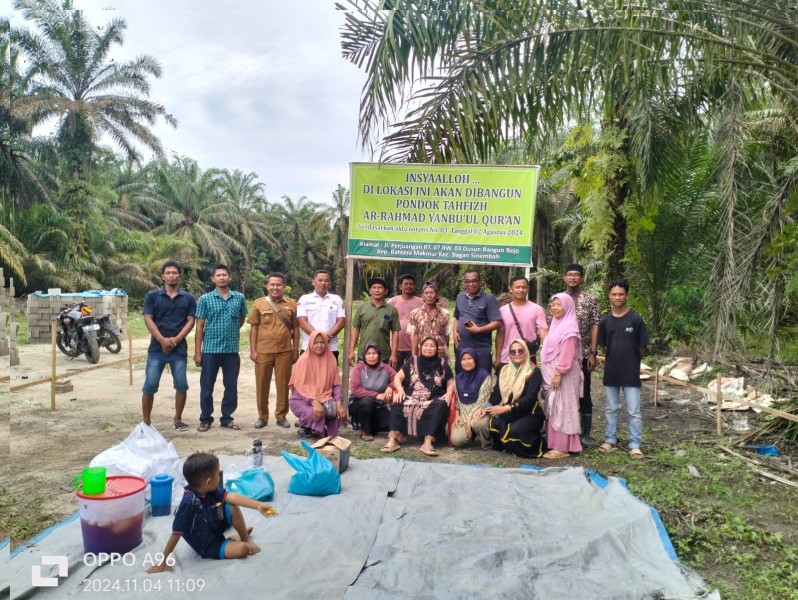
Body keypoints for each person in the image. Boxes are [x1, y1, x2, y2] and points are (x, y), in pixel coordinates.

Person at [147, 452, 277, 572]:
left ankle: (243, 537)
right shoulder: (188, 502)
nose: (219, 474)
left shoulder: (211, 490)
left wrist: (259, 505)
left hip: (213, 524)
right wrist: (163, 562)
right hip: (209, 544)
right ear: (208, 482)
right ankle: (233, 540)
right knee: (243, 549)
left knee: (232, 506)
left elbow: (234, 498)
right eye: (217, 473)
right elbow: (176, 533)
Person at [141, 261, 196, 431]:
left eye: (174, 273)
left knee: (181, 385)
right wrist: (162, 340)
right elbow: (148, 318)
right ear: (162, 276)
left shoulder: (188, 298)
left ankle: (178, 419)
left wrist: (176, 339)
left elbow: (191, 321)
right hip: (156, 349)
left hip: (178, 350)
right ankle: (146, 422)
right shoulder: (152, 296)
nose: (171, 275)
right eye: (168, 273)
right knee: (149, 385)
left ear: (180, 275)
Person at [598, 279, 649, 458]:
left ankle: (635, 443)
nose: (617, 297)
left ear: (626, 295)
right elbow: (604, 348)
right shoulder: (605, 322)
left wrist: (632, 361)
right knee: (611, 408)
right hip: (611, 371)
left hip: (630, 372)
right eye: (614, 294)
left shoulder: (635, 320)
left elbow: (642, 348)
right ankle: (610, 439)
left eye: (621, 294)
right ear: (609, 296)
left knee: (634, 411)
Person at [194, 264, 248, 432]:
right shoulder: (205, 299)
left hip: (231, 351)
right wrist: (197, 352)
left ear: (229, 277)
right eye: (218, 275)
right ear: (213, 278)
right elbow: (199, 326)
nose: (222, 278)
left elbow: (241, 319)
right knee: (207, 386)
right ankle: (205, 419)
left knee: (231, 386)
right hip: (210, 350)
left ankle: (227, 418)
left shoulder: (239, 298)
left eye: (225, 275)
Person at [383, 337, 455, 457]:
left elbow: (450, 382)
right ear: (420, 347)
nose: (428, 348)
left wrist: (448, 393)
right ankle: (393, 440)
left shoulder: (442, 364)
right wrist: (400, 391)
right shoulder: (412, 360)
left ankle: (428, 442)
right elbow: (397, 378)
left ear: (437, 349)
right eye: (426, 345)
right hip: (412, 397)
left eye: (432, 346)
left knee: (441, 405)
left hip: (432, 400)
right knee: (398, 401)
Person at [475, 340, 545, 459]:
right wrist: (485, 407)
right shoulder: (504, 370)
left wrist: (506, 408)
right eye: (513, 351)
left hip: (530, 412)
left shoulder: (534, 372)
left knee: (515, 430)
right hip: (510, 411)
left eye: (520, 350)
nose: (517, 354)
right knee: (495, 423)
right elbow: (496, 395)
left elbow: (529, 399)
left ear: (526, 352)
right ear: (509, 354)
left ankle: (530, 450)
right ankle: (508, 448)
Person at [248, 272, 299, 429]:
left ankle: (281, 416)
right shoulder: (259, 304)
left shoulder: (292, 304)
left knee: (283, 385)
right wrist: (253, 350)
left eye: (279, 284)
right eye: (272, 284)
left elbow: (296, 329)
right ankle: (262, 417)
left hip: (284, 351)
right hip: (263, 350)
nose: (275, 287)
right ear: (267, 286)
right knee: (262, 384)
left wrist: (295, 349)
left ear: (284, 286)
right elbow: (254, 328)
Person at [561, 263, 601, 448]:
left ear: (582, 278)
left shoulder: (590, 299)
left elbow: (595, 325)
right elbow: (549, 324)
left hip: (583, 355)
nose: (573, 278)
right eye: (570, 275)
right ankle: (562, 430)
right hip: (561, 355)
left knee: (584, 393)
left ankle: (585, 435)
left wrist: (593, 352)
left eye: (577, 275)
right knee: (561, 391)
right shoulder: (558, 299)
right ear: (564, 278)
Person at [540, 293, 583, 459]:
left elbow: (567, 354)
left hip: (562, 375)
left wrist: (558, 374)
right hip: (553, 375)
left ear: (568, 306)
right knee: (554, 406)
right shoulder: (556, 324)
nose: (554, 308)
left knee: (563, 407)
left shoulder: (569, 328)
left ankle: (563, 448)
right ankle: (555, 443)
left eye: (559, 304)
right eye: (553, 304)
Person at [289, 330, 346, 438]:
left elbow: (336, 385)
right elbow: (299, 387)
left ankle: (323, 431)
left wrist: (339, 404)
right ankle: (308, 428)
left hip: (324, 397)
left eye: (322, 342)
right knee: (312, 413)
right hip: (302, 399)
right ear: (310, 343)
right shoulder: (303, 360)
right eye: (316, 342)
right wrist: (314, 401)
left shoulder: (331, 359)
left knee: (336, 412)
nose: (319, 345)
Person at [453, 269, 501, 373]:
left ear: (480, 281)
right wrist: (454, 331)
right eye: (467, 281)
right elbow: (457, 317)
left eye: (474, 281)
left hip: (481, 348)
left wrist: (478, 329)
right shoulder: (459, 297)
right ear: (464, 282)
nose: (471, 284)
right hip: (463, 347)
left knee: (482, 380)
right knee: (463, 377)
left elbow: (497, 323)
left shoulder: (489, 299)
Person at [495, 275, 548, 367]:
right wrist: (498, 358)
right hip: (507, 357)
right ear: (510, 289)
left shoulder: (537, 309)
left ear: (528, 289)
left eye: (524, 287)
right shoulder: (502, 311)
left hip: (528, 357)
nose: (521, 290)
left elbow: (544, 333)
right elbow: (500, 335)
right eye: (517, 287)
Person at [349, 342, 396, 441]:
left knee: (388, 424)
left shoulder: (385, 367)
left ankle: (370, 425)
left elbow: (398, 379)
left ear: (379, 355)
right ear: (364, 356)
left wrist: (390, 387)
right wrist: (375, 395)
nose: (371, 356)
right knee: (367, 401)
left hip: (379, 405)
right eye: (368, 353)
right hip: (359, 404)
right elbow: (355, 389)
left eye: (374, 353)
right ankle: (365, 431)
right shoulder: (359, 368)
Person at [349, 277, 401, 368]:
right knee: (364, 380)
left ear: (385, 291)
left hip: (384, 354)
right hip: (364, 354)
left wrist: (394, 354)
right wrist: (351, 350)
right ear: (370, 290)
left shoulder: (392, 310)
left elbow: (395, 332)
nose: (377, 290)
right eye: (374, 287)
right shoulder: (362, 308)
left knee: (384, 381)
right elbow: (355, 329)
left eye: (380, 287)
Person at [296, 269, 346, 361]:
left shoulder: (337, 300)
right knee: (308, 375)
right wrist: (318, 339)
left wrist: (326, 338)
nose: (323, 283)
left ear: (329, 284)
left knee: (329, 375)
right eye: (320, 280)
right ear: (313, 282)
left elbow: (341, 322)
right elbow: (302, 322)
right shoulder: (304, 299)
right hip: (309, 346)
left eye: (326, 281)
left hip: (331, 348)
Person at [450, 347, 493, 448]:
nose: (466, 362)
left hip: (480, 410)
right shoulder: (457, 378)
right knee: (456, 440)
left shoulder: (484, 376)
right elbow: (457, 400)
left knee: (479, 423)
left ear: (475, 359)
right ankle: (471, 435)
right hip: (464, 412)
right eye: (463, 359)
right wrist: (457, 414)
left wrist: (469, 420)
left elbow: (483, 400)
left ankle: (487, 442)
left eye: (470, 358)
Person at [406, 281, 451, 361]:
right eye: (426, 293)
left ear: (437, 295)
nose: (429, 296)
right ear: (422, 296)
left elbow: (446, 336)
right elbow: (414, 337)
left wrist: (445, 352)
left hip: (440, 356)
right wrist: (414, 358)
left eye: (432, 293)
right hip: (422, 355)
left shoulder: (445, 313)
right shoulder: (414, 314)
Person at [388, 274, 423, 367]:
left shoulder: (421, 302)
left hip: (415, 347)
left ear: (414, 286)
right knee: (395, 373)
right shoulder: (392, 302)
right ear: (400, 286)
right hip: (396, 347)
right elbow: (385, 318)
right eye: (406, 284)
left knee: (412, 374)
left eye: (411, 284)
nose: (408, 286)